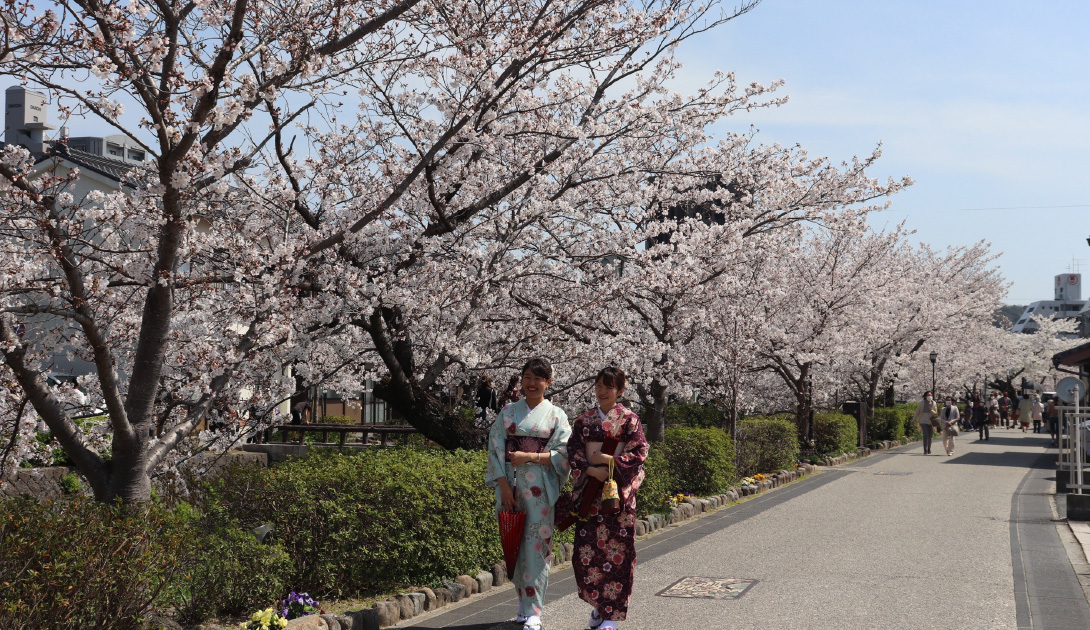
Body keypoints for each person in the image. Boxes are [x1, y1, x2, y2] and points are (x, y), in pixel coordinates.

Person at [485, 358, 572, 630]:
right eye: (527, 377)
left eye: (538, 378)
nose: (532, 383)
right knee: (515, 545)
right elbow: (495, 449)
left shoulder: (557, 415)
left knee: (537, 548)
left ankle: (534, 611)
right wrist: (503, 485)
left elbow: (564, 454)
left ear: (549, 382)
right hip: (510, 488)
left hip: (541, 492)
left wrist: (530, 456)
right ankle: (522, 605)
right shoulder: (508, 412)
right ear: (521, 380)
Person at [562, 367, 648, 630]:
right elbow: (573, 450)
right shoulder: (583, 420)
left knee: (618, 554)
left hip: (615, 500)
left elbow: (639, 453)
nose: (601, 391)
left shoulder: (630, 420)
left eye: (608, 387)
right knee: (586, 555)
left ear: (620, 391)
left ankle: (612, 616)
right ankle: (599, 607)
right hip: (590, 496)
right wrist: (590, 469)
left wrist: (609, 461)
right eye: (598, 385)